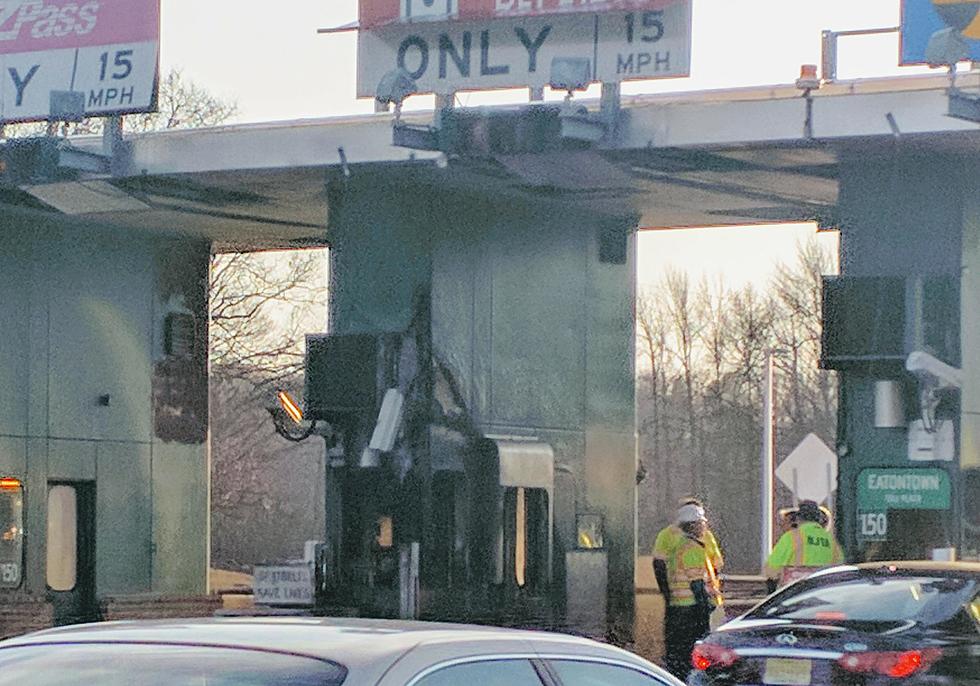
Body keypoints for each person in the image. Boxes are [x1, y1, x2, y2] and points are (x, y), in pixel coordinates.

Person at [653, 503, 722, 679]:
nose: (704, 527)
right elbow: (697, 585)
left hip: (678, 607)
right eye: (701, 524)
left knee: (677, 654)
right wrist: (705, 610)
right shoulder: (693, 548)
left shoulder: (680, 546)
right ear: (693, 525)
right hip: (690, 609)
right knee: (690, 655)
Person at [766, 500, 844, 594]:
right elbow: (839, 569)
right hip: (824, 592)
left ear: (798, 518)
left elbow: (771, 570)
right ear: (819, 519)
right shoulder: (831, 542)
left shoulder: (791, 537)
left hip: (795, 594)